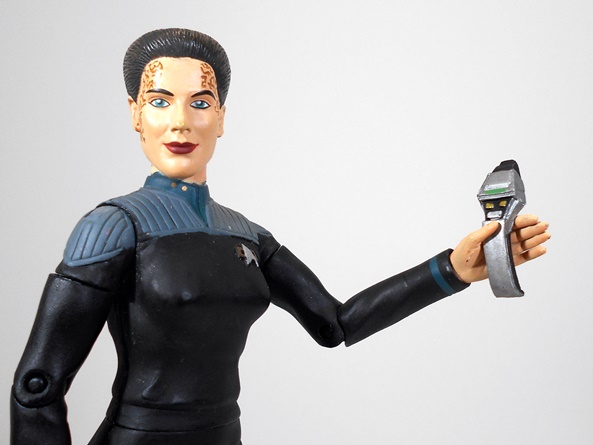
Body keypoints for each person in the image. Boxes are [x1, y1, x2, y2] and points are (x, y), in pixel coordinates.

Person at [10, 28, 550, 445]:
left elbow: (336, 324)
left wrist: (452, 269)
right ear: (135, 114)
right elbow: (37, 386)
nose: (180, 122)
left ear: (221, 117)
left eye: (200, 102)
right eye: (159, 101)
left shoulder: (248, 235)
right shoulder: (113, 226)